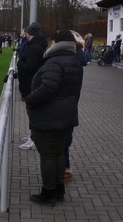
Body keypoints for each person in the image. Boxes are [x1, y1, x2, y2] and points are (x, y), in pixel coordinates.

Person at [24, 29, 82, 205]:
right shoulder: (72, 59)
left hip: (50, 115)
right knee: (57, 153)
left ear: (56, 42)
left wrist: (30, 99)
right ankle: (58, 190)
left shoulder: (55, 62)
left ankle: (49, 193)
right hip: (64, 114)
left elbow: (48, 89)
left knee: (48, 155)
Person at [17, 22, 48, 151]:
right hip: (32, 83)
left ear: (31, 34)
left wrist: (19, 64)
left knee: (33, 113)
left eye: (28, 33)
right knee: (33, 112)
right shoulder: (38, 46)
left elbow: (30, 67)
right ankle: (33, 136)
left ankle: (35, 140)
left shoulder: (34, 48)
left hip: (31, 84)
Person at [62, 30, 87, 183]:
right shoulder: (77, 58)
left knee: (63, 138)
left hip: (66, 104)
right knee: (65, 136)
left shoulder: (73, 60)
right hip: (70, 104)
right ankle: (65, 167)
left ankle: (65, 169)